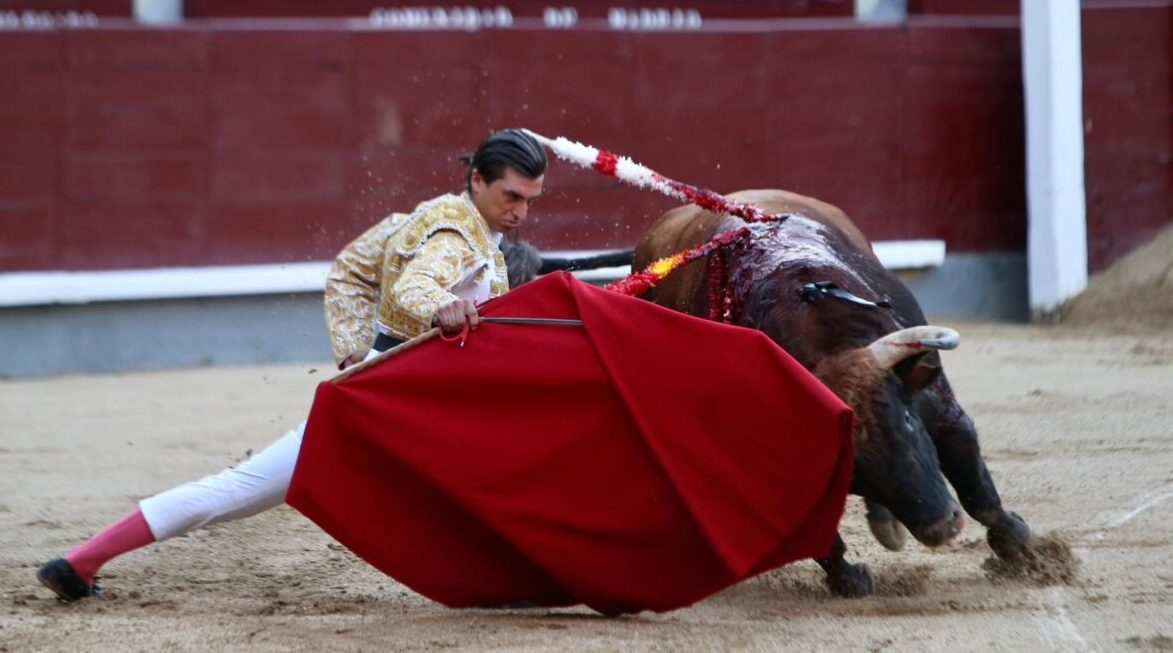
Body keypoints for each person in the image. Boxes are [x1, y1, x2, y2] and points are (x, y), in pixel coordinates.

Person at [36, 128, 548, 602]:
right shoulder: (456, 238)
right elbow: (415, 286)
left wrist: (355, 354)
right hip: (394, 399)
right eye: (512, 196)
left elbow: (353, 267)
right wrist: (439, 306)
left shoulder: (428, 216)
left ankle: (82, 561)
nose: (521, 212)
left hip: (391, 389)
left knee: (242, 487)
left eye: (530, 199)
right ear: (477, 180)